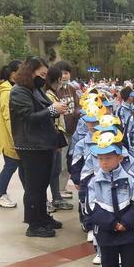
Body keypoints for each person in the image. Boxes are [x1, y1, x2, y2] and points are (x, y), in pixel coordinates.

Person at [9, 57, 67, 237]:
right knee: (34, 187)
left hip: (42, 144)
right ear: (30, 71)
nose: (43, 78)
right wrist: (52, 110)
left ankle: (42, 217)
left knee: (42, 185)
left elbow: (45, 110)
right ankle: (34, 225)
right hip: (30, 146)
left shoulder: (34, 90)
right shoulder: (19, 92)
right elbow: (29, 117)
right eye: (41, 74)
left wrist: (56, 109)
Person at [84, 141, 134, 267]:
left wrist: (126, 222)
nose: (103, 162)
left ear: (119, 158)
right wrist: (111, 223)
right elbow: (91, 208)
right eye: (100, 158)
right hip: (105, 229)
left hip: (128, 228)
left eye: (108, 158)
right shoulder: (94, 182)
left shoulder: (131, 180)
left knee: (130, 259)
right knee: (108, 259)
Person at [45, 65, 73, 211]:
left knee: (56, 170)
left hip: (56, 136)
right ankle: (48, 200)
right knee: (50, 171)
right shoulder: (48, 95)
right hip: (51, 137)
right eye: (59, 80)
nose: (61, 83)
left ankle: (57, 197)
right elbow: (48, 116)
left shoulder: (53, 93)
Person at [55, 60, 79, 199]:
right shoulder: (55, 90)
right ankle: (58, 190)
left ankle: (62, 188)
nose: (64, 76)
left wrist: (78, 112)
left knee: (68, 161)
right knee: (61, 163)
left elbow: (77, 106)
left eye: (67, 73)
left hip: (72, 130)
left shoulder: (72, 89)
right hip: (61, 131)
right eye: (62, 73)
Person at [0, 60, 22, 208]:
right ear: (13, 73)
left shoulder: (12, 88)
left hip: (12, 135)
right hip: (9, 136)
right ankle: (0, 194)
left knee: (11, 165)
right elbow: (8, 117)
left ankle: (1, 192)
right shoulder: (7, 92)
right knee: (11, 164)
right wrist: (15, 138)